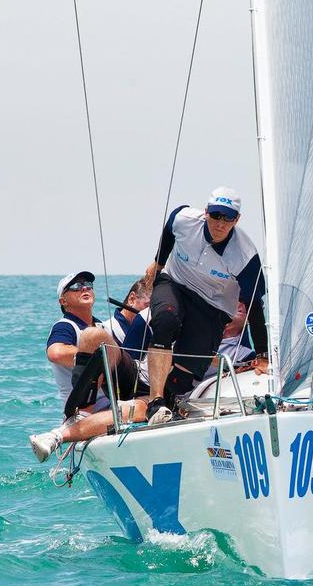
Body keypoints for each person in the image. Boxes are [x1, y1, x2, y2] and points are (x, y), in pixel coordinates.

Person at [143, 186, 269, 422]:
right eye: (215, 215)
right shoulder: (184, 219)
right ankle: (155, 402)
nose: (220, 224)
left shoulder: (245, 256)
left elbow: (254, 307)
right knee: (165, 321)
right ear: (206, 212)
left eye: (228, 218)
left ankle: (168, 401)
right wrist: (158, 262)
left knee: (189, 369)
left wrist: (262, 354)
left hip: (212, 305)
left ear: (237, 219)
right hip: (176, 283)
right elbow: (169, 230)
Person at [29, 271, 150, 462]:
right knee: (93, 337)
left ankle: (57, 435)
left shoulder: (102, 325)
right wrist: (94, 357)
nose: (84, 288)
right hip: (81, 407)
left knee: (146, 407)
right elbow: (56, 353)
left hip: (110, 404)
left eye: (88, 285)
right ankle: (83, 412)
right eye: (76, 287)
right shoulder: (66, 326)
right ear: (63, 301)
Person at [203, 302, 256, 380]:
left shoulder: (247, 355)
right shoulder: (194, 332)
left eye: (244, 301)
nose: (241, 304)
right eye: (237, 299)